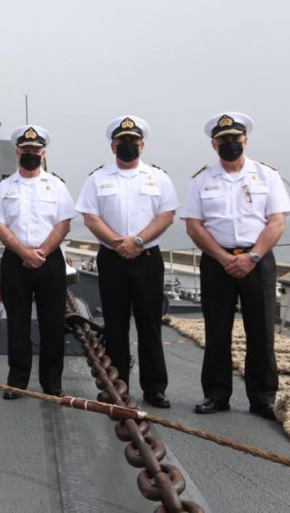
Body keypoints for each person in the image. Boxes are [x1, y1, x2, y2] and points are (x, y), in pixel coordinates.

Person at [179, 112, 290, 419]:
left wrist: (252, 256)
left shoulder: (267, 176)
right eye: (224, 140)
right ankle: (216, 395)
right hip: (218, 263)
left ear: (245, 140)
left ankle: (262, 398)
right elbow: (194, 225)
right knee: (217, 331)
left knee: (262, 331)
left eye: (235, 139)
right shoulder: (202, 179)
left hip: (258, 262)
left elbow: (277, 221)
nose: (231, 144)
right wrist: (224, 257)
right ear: (214, 144)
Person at [75, 116, 178, 408]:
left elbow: (166, 215)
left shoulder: (158, 177)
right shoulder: (98, 178)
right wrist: (119, 244)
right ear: (113, 146)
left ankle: (155, 388)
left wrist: (138, 241)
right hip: (113, 259)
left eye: (133, 142)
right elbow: (90, 217)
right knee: (115, 325)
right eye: (122, 142)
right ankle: (118, 387)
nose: (128, 146)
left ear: (142, 145)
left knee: (149, 324)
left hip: (146, 259)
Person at [0, 125, 75, 399]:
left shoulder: (56, 185)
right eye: (26, 150)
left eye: (35, 150)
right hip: (15, 262)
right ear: (17, 152)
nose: (31, 154)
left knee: (52, 323)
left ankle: (52, 382)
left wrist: (42, 252)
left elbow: (64, 223)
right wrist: (24, 253)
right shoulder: (4, 188)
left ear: (43, 152)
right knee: (18, 324)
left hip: (50, 261)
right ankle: (17, 382)